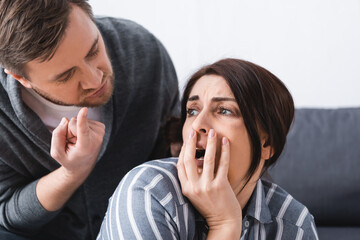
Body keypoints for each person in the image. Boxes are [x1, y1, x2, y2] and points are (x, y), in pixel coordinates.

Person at [0, 0, 179, 239]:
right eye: (66, 76)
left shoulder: (143, 51)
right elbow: (7, 216)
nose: (96, 80)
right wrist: (71, 174)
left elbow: (174, 138)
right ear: (20, 78)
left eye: (93, 50)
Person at [97, 58, 320, 239]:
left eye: (224, 110)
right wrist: (224, 225)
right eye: (192, 111)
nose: (198, 124)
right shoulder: (146, 192)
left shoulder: (294, 225)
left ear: (267, 143)